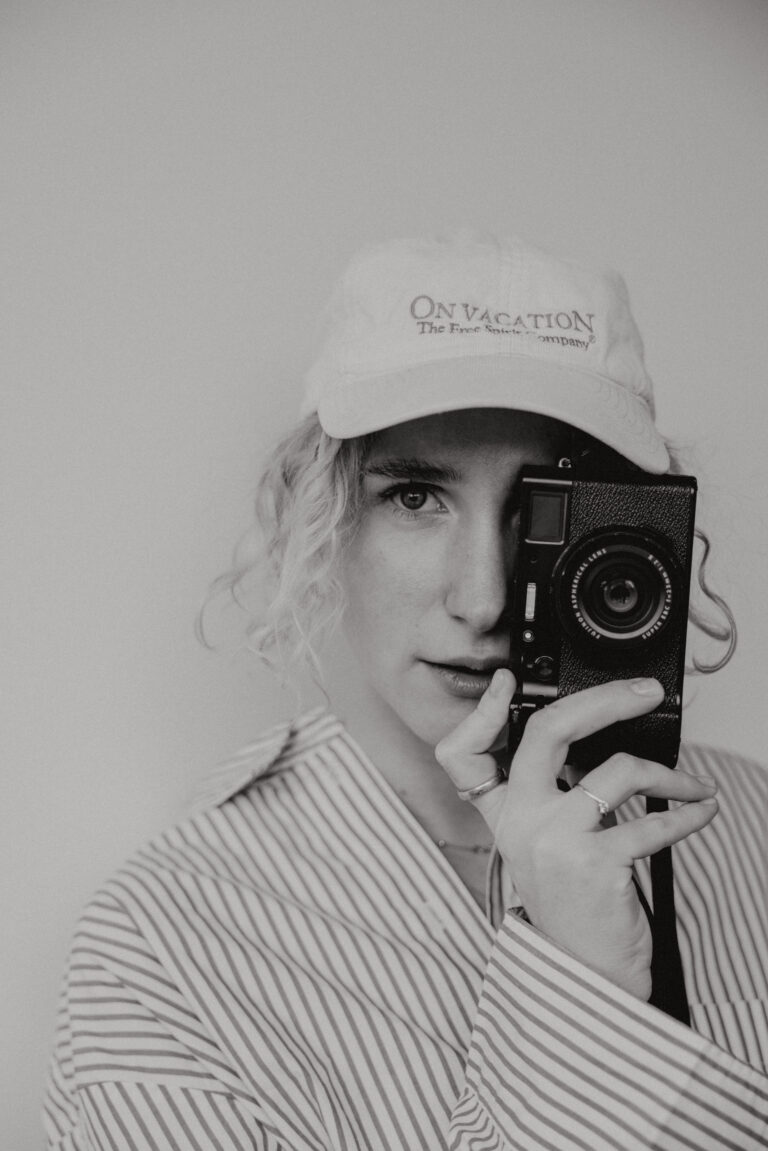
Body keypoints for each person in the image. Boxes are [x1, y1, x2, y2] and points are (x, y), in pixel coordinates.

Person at [44, 235, 768, 1150]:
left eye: (542, 506)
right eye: (416, 496)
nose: (484, 597)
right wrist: (585, 993)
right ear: (321, 515)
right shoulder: (164, 946)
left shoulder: (749, 828)